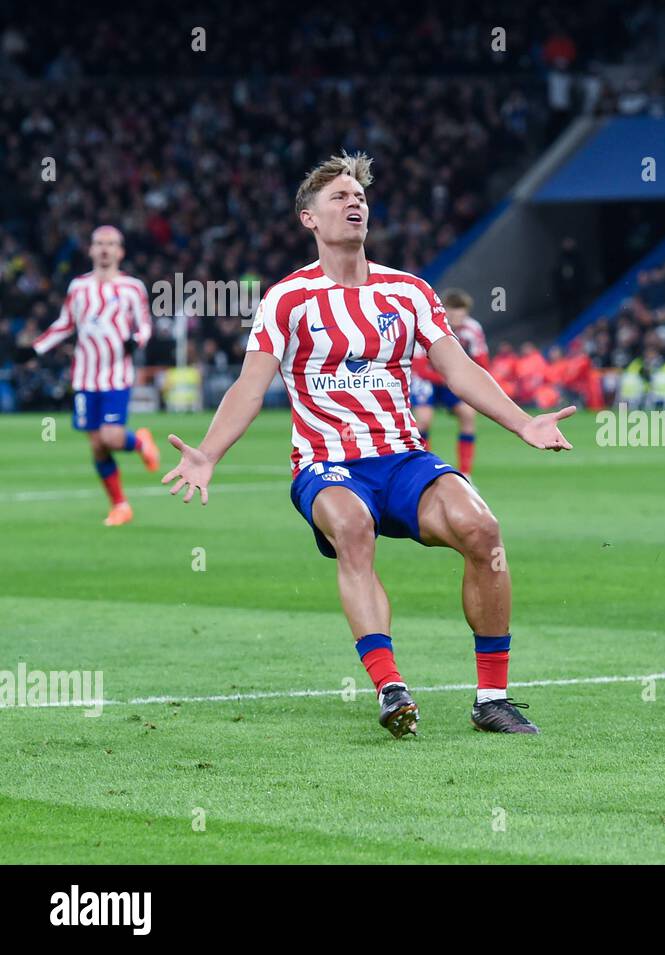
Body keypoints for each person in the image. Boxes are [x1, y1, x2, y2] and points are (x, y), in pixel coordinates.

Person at [161, 153, 575, 739]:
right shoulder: (287, 298)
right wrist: (208, 453)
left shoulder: (408, 292)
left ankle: (492, 698)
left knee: (482, 529)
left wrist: (523, 422)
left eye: (359, 196)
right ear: (309, 217)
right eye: (339, 197)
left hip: (404, 458)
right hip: (326, 465)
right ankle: (390, 686)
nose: (354, 203)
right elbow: (250, 387)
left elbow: (458, 370)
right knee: (353, 529)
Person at [24, 225, 159, 525]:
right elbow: (64, 324)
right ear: (91, 249)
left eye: (111, 244)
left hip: (115, 375)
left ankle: (139, 442)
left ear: (120, 251)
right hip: (84, 377)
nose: (104, 249)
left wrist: (135, 341)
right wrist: (35, 349)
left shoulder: (132, 287)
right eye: (99, 243)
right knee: (97, 444)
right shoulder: (78, 287)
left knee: (110, 437)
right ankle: (121, 505)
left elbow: (145, 326)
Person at [409, 288, 489, 477]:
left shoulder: (472, 329)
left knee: (468, 415)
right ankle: (423, 471)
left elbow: (482, 361)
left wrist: (471, 383)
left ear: (466, 312)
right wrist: (450, 378)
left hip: (452, 378)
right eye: (452, 311)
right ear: (444, 310)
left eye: (460, 311)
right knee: (423, 420)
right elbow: (419, 367)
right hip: (428, 380)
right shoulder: (430, 325)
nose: (456, 315)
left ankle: (466, 474)